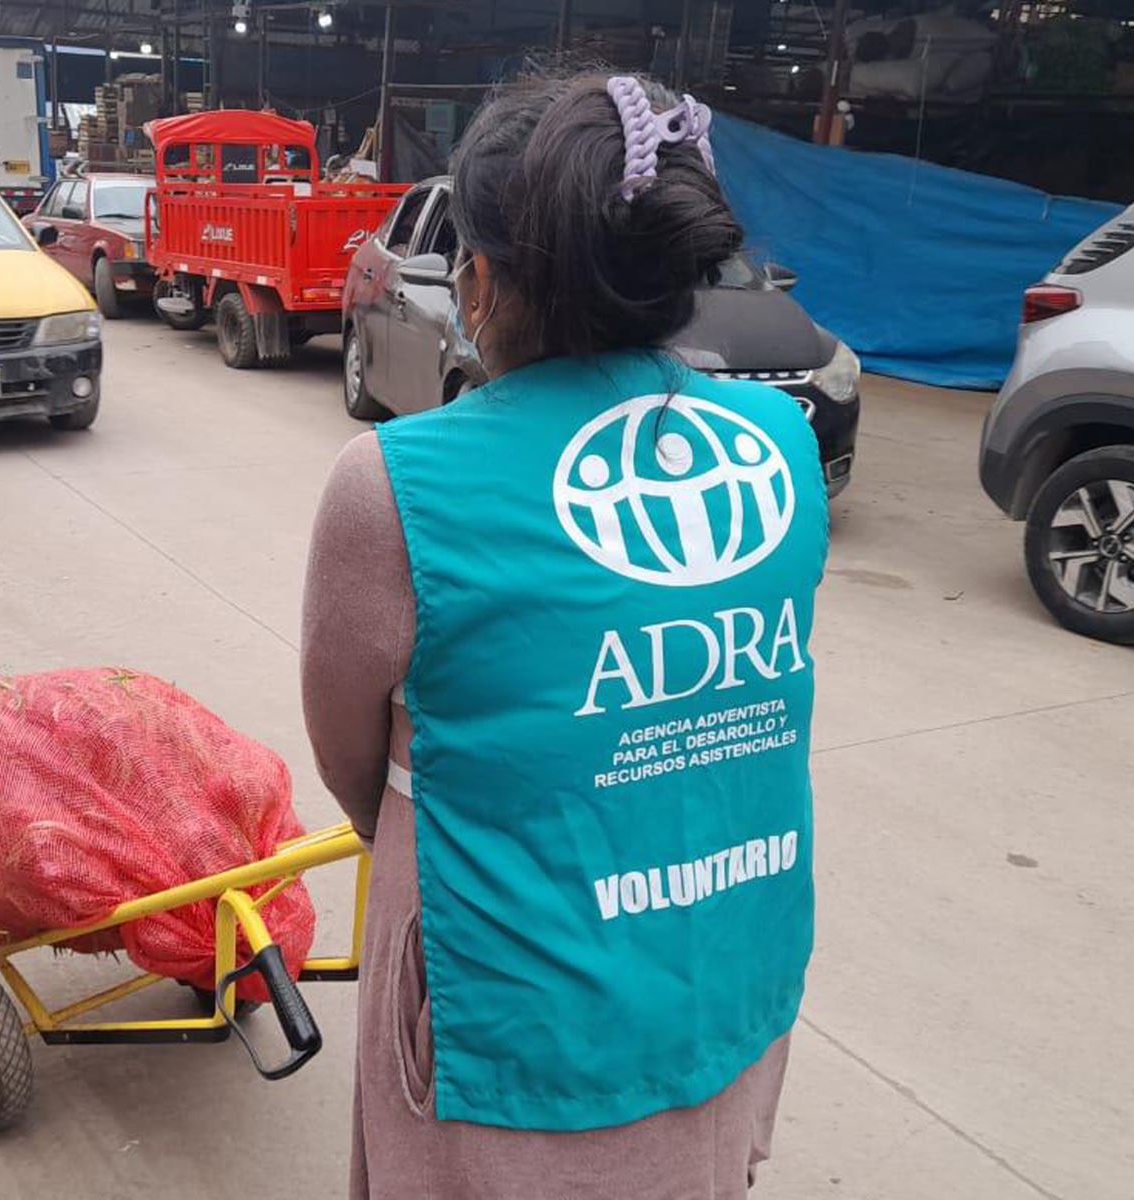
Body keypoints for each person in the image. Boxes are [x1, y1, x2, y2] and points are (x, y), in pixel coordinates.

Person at [301, 72, 829, 1199]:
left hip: (510, 980)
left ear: (480, 279)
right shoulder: (777, 443)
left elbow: (350, 756)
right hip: (724, 939)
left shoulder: (396, 483)